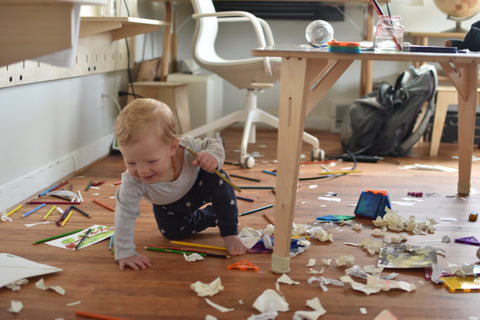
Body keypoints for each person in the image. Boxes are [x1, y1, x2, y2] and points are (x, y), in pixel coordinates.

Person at [113, 98, 247, 270]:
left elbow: (213, 143)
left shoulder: (187, 148)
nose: (142, 171)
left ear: (173, 147)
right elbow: (125, 212)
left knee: (218, 178)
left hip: (198, 187)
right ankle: (214, 215)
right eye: (131, 163)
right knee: (171, 233)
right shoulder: (133, 180)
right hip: (167, 205)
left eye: (152, 161)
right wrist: (124, 251)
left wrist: (211, 155)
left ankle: (229, 231)